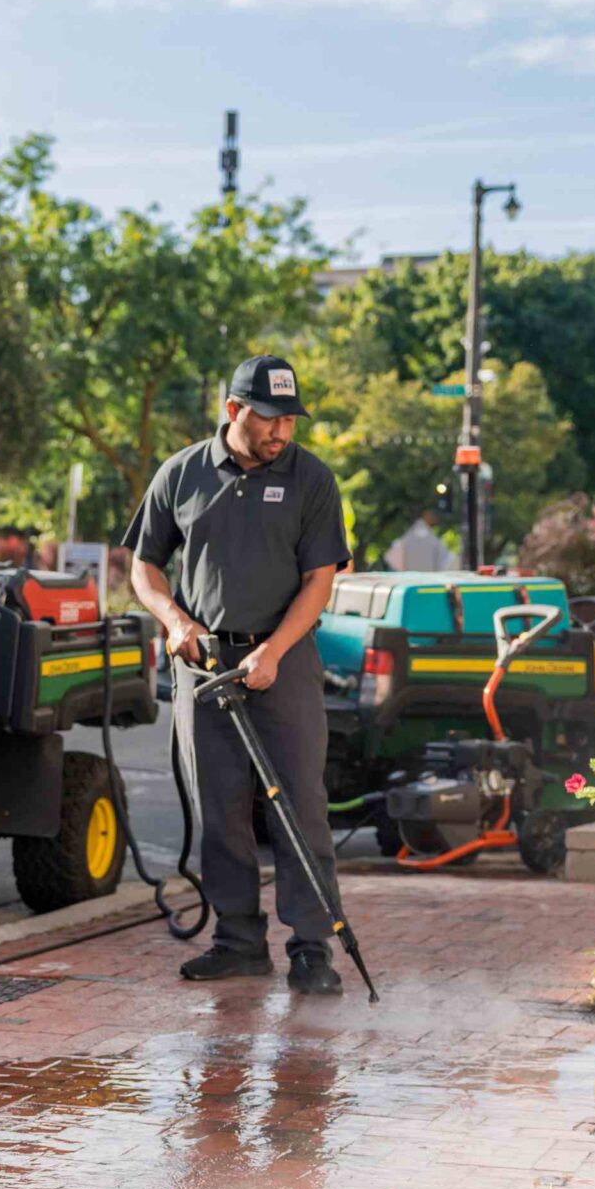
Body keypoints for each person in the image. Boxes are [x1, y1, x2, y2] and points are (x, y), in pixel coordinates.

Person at [123, 354, 351, 996]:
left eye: (290, 419)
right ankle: (239, 941)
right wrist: (173, 621)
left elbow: (319, 582)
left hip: (284, 661)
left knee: (299, 806)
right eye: (269, 418)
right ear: (233, 411)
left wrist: (274, 650)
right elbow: (145, 568)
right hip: (204, 666)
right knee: (219, 807)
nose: (282, 431)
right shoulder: (182, 474)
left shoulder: (312, 480)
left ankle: (312, 947)